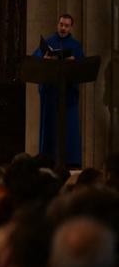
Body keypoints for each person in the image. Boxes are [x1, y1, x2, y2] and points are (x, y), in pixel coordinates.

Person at [33, 13, 85, 166]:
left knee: (69, 130)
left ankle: (71, 162)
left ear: (71, 27)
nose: (63, 28)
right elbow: (36, 60)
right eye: (61, 24)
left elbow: (82, 67)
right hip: (51, 93)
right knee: (50, 128)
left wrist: (73, 62)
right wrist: (45, 60)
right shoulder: (48, 42)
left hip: (67, 94)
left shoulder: (75, 45)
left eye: (66, 25)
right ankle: (47, 161)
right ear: (57, 24)